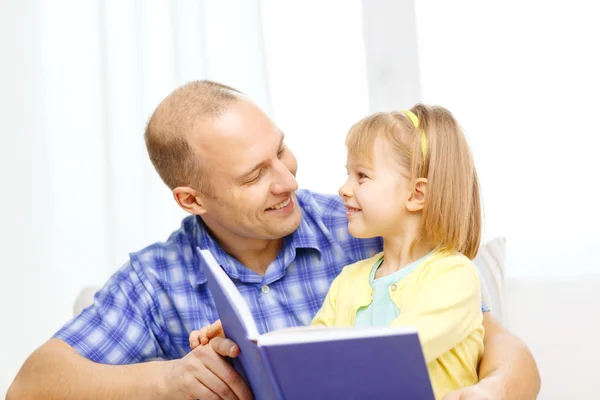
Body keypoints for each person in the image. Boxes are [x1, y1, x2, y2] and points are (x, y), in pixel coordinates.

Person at [7, 81, 540, 400]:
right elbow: (29, 387)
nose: (288, 180)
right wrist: (169, 380)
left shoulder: (361, 224)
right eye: (254, 174)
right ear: (193, 200)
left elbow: (497, 346)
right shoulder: (156, 279)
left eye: (281, 151)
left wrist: (493, 389)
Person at [192, 105, 484, 399]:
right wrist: (248, 344)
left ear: (416, 195)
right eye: (348, 174)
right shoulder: (351, 278)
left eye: (362, 176)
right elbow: (313, 348)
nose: (344, 189)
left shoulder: (454, 277)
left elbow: (391, 356)